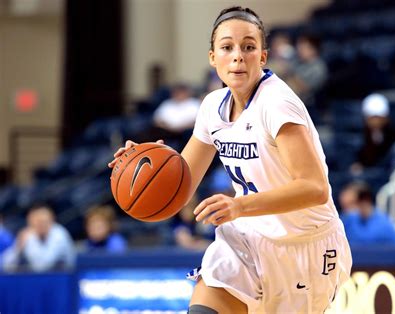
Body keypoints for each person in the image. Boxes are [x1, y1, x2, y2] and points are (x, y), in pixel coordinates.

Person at [109, 6, 352, 313]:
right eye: (227, 47)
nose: (238, 55)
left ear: (263, 57)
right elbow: (179, 187)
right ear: (213, 58)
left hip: (305, 246)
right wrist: (142, 167)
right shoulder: (212, 106)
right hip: (248, 238)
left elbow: (315, 189)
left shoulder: (276, 103)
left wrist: (239, 206)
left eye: (249, 47)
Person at [2, 205, 75, 272]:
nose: (40, 224)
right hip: (38, 279)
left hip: (63, 278)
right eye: (36, 221)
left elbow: (44, 265)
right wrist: (19, 247)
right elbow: (5, 265)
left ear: (51, 220)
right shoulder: (28, 234)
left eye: (43, 221)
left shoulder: (59, 233)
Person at [351, 93, 395, 175]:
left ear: (386, 118)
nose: (375, 121)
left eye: (378, 117)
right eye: (372, 118)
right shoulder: (360, 136)